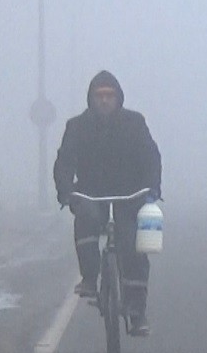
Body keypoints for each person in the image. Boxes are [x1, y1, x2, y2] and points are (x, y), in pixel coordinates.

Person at [54, 70, 162, 336]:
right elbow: (64, 162)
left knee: (132, 245)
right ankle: (90, 278)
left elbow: (151, 156)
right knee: (87, 219)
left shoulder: (135, 123)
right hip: (92, 195)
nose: (104, 101)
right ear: (91, 98)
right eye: (99, 96)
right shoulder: (77, 126)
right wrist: (66, 191)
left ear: (118, 98)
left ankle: (137, 312)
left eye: (109, 96)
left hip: (129, 196)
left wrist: (153, 188)